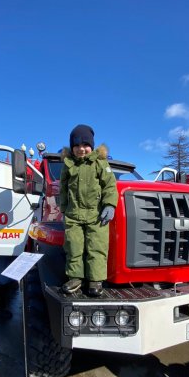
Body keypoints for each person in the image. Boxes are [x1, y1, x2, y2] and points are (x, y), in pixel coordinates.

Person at [59, 124, 118, 297]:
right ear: (72, 148)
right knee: (73, 246)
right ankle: (75, 277)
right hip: (73, 214)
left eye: (85, 145)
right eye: (76, 146)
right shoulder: (68, 165)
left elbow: (109, 185)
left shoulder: (100, 163)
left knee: (96, 246)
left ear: (91, 146)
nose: (81, 149)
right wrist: (63, 209)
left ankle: (95, 280)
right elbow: (63, 189)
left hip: (96, 215)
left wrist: (109, 205)